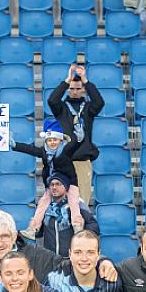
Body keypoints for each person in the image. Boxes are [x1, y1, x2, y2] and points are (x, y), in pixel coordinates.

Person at [0, 210, 118, 283]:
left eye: (5, 236)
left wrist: (102, 261)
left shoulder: (36, 256)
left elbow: (70, 263)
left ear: (14, 236)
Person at [14, 119, 83, 237]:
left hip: (69, 182)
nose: (52, 142)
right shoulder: (44, 152)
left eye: (55, 140)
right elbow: (30, 149)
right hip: (52, 184)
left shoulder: (65, 150)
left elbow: (74, 145)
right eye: (49, 140)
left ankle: (78, 229)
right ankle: (33, 228)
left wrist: (79, 138)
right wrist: (15, 145)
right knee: (42, 204)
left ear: (60, 140)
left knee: (74, 203)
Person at [47, 64, 105, 203]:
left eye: (78, 88)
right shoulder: (61, 108)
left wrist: (85, 80)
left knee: (82, 200)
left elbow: (99, 102)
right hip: (64, 160)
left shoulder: (89, 108)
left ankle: (81, 224)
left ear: (84, 90)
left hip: (82, 160)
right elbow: (52, 100)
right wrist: (67, 80)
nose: (74, 91)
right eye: (71, 89)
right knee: (62, 199)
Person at [21, 172, 99, 256]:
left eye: (58, 184)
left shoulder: (76, 206)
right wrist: (35, 228)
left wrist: (83, 231)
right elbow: (41, 233)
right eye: (52, 185)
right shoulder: (45, 208)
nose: (54, 187)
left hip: (70, 258)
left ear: (65, 187)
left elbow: (94, 226)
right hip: (51, 258)